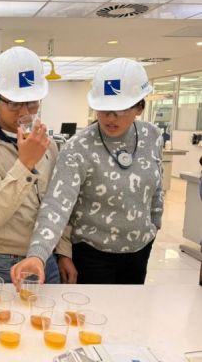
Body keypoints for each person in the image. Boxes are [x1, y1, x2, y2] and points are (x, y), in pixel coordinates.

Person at [11, 58, 163, 285]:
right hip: (93, 254)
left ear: (139, 107)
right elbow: (57, 205)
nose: (110, 117)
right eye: (103, 109)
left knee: (132, 305)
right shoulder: (78, 147)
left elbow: (156, 186)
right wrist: (38, 254)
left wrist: (155, 223)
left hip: (140, 249)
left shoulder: (152, 136)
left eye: (120, 110)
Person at [0, 46, 72, 284]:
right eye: (14, 104)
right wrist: (25, 163)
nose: (25, 112)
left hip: (47, 255)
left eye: (32, 103)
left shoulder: (47, 144)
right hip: (4, 260)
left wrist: (63, 251)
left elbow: (58, 201)